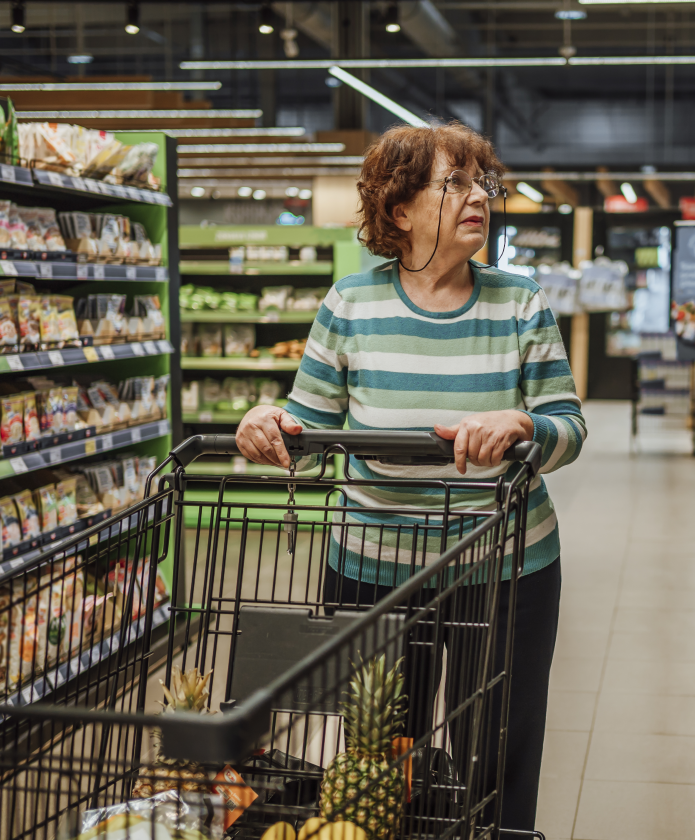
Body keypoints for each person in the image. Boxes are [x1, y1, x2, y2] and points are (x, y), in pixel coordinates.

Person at [235, 121, 586, 831]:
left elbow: (568, 430)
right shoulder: (349, 304)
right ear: (399, 209)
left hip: (506, 569)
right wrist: (267, 425)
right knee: (374, 753)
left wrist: (522, 426)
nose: (478, 197)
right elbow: (306, 429)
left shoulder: (519, 302)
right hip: (374, 567)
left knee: (499, 756)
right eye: (453, 182)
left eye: (483, 182)